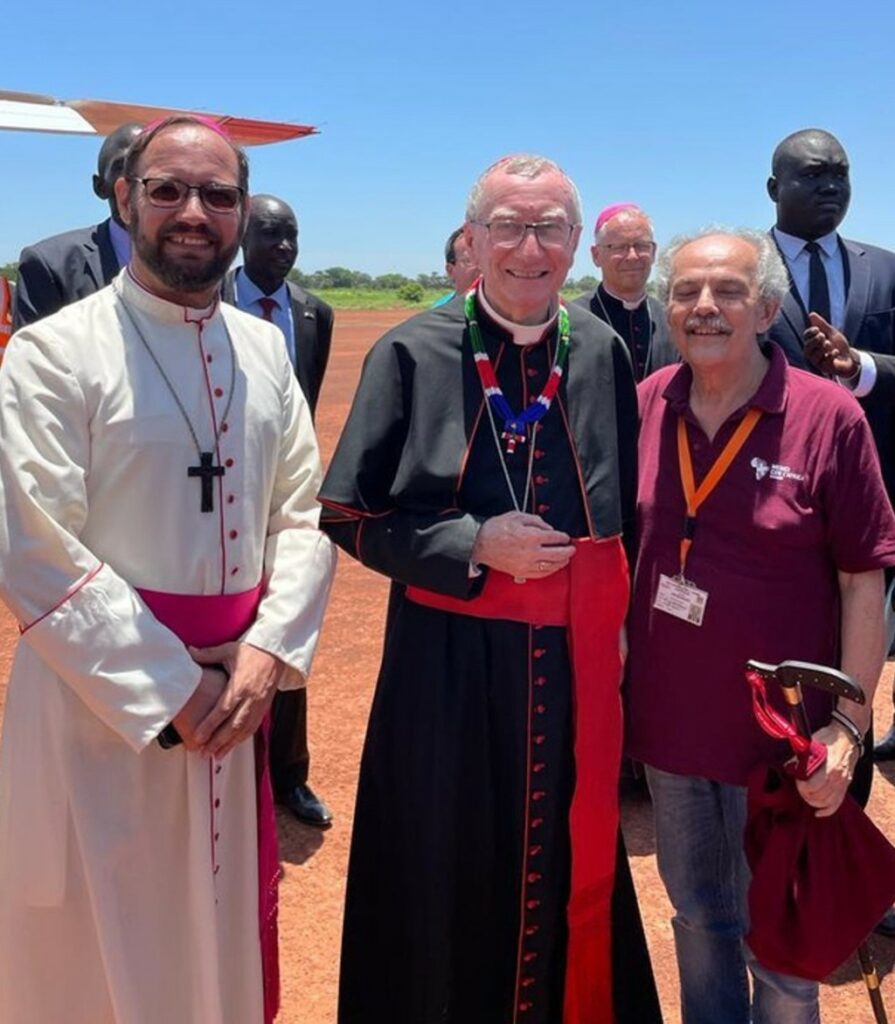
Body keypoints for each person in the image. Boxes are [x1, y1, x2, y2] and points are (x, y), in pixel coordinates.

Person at [0, 115, 335, 1024]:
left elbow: (300, 516)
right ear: (124, 198)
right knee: (101, 947)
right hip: (102, 711)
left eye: (218, 195)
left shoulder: (265, 348)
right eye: (168, 190)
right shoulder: (51, 351)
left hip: (236, 690)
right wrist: (171, 688)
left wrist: (266, 656)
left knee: (214, 944)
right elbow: (33, 543)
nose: (194, 212)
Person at [319, 153, 661, 1024]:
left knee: (569, 862)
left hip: (573, 666)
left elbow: (625, 514)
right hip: (446, 671)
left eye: (548, 227)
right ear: (472, 241)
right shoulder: (410, 349)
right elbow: (349, 516)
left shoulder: (602, 352)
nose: (527, 247)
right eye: (507, 226)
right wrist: (472, 542)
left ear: (576, 244)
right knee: (445, 858)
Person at [626, 228, 895, 1024]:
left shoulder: (827, 416)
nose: (703, 307)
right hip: (672, 732)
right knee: (697, 919)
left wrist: (848, 727)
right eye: (685, 291)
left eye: (728, 291)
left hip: (786, 743)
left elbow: (861, 582)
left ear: (767, 307)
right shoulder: (644, 404)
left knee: (780, 944)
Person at [222, 192, 334, 827]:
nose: (284, 248)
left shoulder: (315, 314)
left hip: (288, 495)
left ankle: (289, 778)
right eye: (270, 235)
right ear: (241, 236)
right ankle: (227, 769)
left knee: (287, 628)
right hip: (216, 488)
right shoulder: (212, 301)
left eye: (291, 236)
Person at [13, 122, 142, 328]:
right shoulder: (50, 265)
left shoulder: (199, 256)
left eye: (148, 166)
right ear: (100, 187)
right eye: (122, 166)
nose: (137, 177)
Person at [574, 203, 677, 381]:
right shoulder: (570, 319)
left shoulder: (673, 319)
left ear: (653, 252)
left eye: (641, 246)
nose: (632, 256)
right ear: (596, 255)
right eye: (619, 247)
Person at [432, 225, 480, 306]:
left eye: (486, 259)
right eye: (470, 260)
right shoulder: (440, 312)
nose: (482, 267)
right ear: (450, 270)